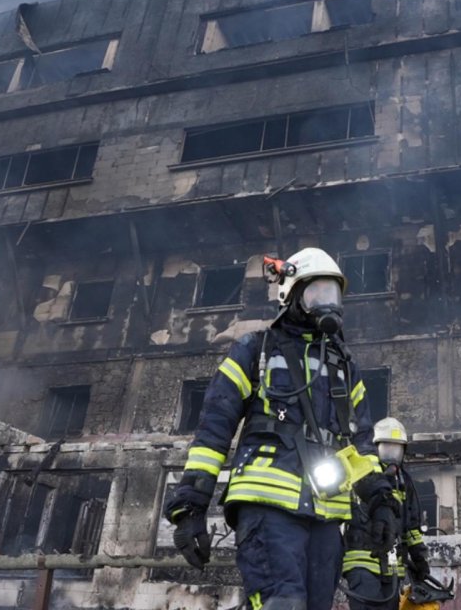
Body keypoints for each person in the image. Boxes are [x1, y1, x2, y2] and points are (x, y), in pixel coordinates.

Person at [163, 248, 400, 610]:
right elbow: (214, 429)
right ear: (291, 293)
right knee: (282, 603)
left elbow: (361, 447)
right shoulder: (255, 350)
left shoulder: (344, 368)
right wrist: (191, 506)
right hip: (266, 504)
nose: (328, 304)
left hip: (325, 514)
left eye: (333, 294)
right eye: (317, 293)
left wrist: (381, 502)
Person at [342, 417, 431, 610]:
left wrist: (419, 558)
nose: (392, 456)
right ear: (375, 448)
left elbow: (411, 525)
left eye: (396, 450)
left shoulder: (403, 481)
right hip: (361, 561)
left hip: (392, 566)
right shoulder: (363, 473)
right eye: (387, 449)